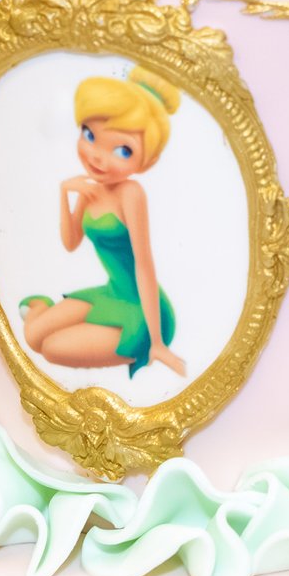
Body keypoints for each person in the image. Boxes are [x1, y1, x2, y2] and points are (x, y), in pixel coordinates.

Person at [20, 66, 187, 378]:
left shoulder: (131, 194)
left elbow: (144, 266)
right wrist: (65, 192)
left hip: (141, 310)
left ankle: (146, 336)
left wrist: (156, 341)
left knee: (51, 348)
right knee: (32, 338)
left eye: (122, 150)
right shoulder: (91, 189)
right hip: (111, 293)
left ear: (146, 159)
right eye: (89, 135)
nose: (97, 156)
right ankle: (41, 306)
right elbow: (71, 243)